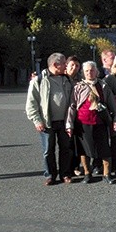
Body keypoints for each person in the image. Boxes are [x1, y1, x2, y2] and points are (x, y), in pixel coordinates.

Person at [66, 61, 116, 184]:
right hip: (83, 123)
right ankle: (87, 173)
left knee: (104, 149)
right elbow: (72, 106)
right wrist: (69, 124)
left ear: (96, 71)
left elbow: (112, 103)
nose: (89, 73)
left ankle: (106, 174)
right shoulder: (78, 87)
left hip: (100, 122)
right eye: (86, 71)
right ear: (83, 73)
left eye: (92, 70)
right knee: (83, 150)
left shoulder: (103, 86)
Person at [25, 53, 73, 186]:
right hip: (47, 122)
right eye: (64, 63)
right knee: (48, 150)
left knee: (66, 148)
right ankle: (50, 175)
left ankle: (65, 174)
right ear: (55, 65)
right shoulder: (39, 80)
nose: (66, 65)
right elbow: (31, 103)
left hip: (64, 121)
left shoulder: (67, 79)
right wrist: (36, 120)